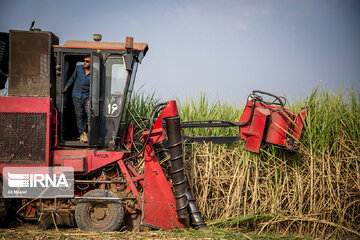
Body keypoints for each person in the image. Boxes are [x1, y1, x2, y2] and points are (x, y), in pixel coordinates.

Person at [63, 56, 91, 143]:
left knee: (89, 114)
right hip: (77, 95)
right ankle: (82, 133)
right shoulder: (78, 68)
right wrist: (66, 87)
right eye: (84, 61)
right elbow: (72, 78)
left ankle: (91, 133)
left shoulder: (94, 73)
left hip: (87, 96)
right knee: (79, 115)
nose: (85, 63)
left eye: (87, 61)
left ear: (91, 63)